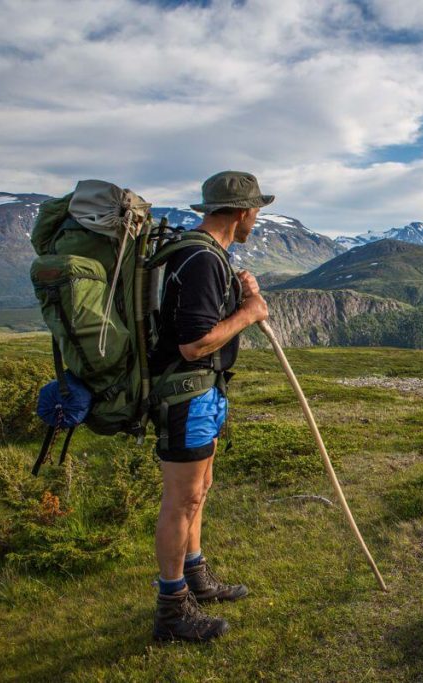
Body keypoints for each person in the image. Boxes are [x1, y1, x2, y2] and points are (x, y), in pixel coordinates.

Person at [148, 171, 271, 642]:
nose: (255, 220)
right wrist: (250, 313)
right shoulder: (201, 258)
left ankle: (195, 577)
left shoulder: (209, 255)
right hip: (187, 393)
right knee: (181, 500)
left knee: (199, 491)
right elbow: (193, 344)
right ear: (242, 212)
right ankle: (172, 609)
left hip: (205, 392)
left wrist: (243, 295)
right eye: (255, 211)